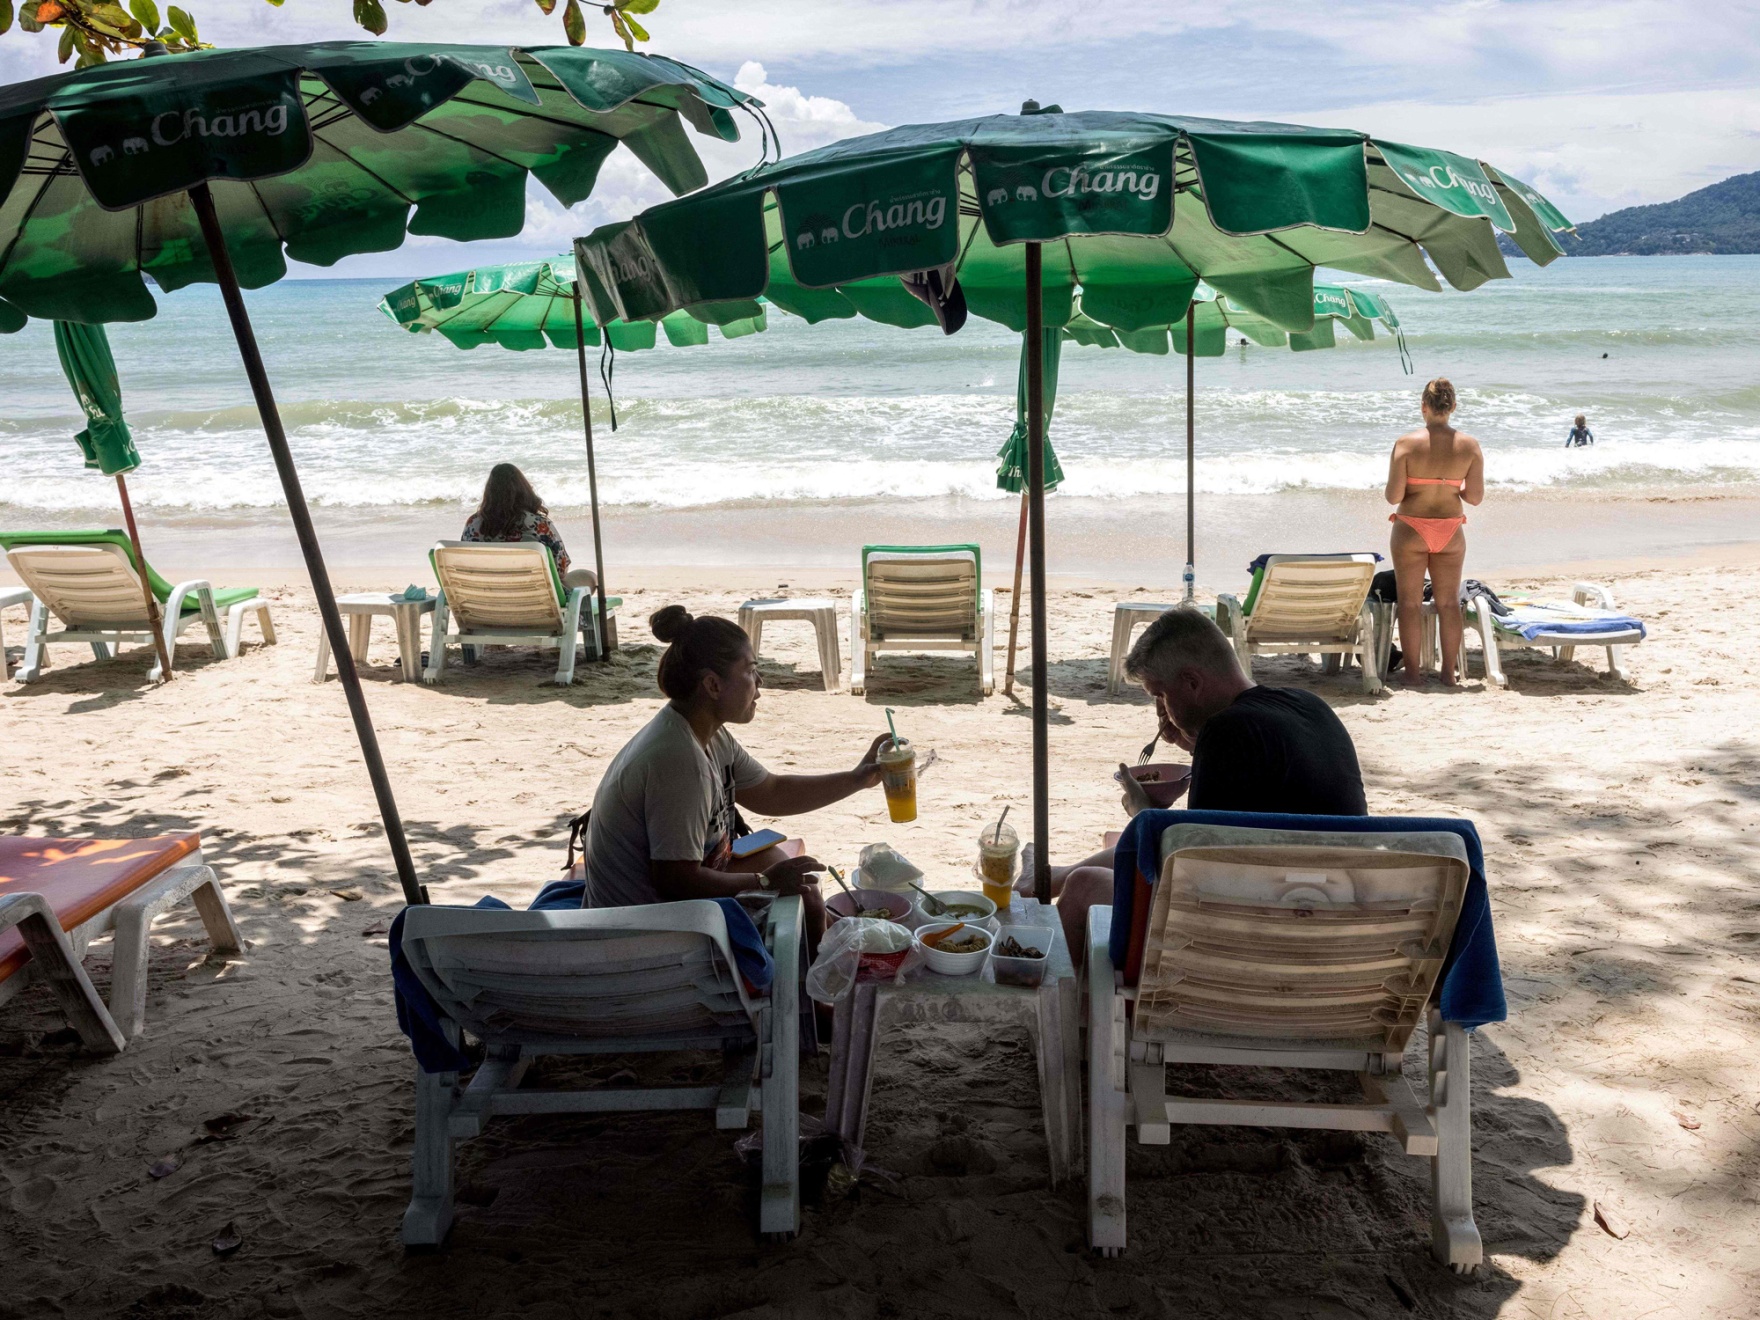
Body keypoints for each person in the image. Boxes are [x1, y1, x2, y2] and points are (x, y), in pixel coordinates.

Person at [1022, 607, 1366, 959]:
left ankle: (1064, 1007)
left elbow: (1187, 866)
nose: (1159, 707)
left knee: (1085, 888)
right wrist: (1196, 743)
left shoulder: (1228, 732)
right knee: (1116, 857)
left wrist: (1144, 814)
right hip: (1336, 916)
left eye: (1159, 694)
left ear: (1192, 682)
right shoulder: (1308, 705)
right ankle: (1054, 876)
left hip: (1263, 932)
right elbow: (1248, 814)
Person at [580, 606, 894, 948]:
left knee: (788, 871)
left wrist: (857, 779)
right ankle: (817, 998)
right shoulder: (679, 762)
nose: (759, 682)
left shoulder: (705, 732)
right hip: (640, 931)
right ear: (713, 685)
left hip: (660, 899)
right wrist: (763, 883)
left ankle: (820, 959)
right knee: (807, 899)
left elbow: (772, 792)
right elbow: (675, 880)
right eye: (751, 670)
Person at [1385, 378, 1484, 687]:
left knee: (1410, 604)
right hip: (1450, 530)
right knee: (1449, 604)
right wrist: (1451, 486)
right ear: (1452, 407)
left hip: (1411, 528)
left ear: (1423, 407)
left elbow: (1393, 496)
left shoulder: (1405, 444)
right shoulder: (1469, 446)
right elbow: (1476, 497)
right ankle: (1447, 675)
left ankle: (1413, 674)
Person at [463, 463, 596, 589]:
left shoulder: (473, 524)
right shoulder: (539, 524)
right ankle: (581, 613)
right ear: (524, 490)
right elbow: (560, 570)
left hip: (486, 598)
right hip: (537, 599)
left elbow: (464, 565)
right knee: (590, 576)